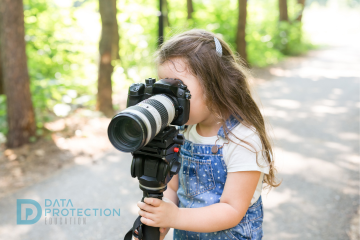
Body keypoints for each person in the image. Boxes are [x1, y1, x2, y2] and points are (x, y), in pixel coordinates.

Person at [135, 29, 280, 240]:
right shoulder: (183, 131)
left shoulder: (243, 140)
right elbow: (172, 188)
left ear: (214, 85)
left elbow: (231, 210)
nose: (170, 100)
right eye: (164, 87)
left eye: (178, 88)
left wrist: (174, 217)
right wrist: (160, 219)